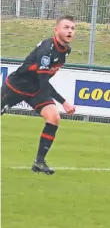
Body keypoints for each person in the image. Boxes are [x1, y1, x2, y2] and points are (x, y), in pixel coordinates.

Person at [1, 15, 77, 175]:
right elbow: (44, 82)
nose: (70, 31)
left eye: (72, 28)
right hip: (16, 87)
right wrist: (63, 102)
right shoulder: (47, 50)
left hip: (35, 90)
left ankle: (39, 162)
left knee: (54, 118)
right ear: (56, 30)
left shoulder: (66, 50)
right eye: (66, 27)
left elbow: (43, 81)